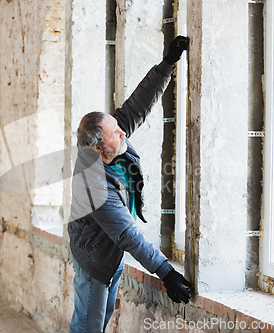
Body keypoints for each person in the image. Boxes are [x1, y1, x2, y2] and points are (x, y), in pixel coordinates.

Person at [68, 36, 193, 333]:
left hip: (109, 249)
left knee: (99, 319)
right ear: (99, 147)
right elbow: (126, 232)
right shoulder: (92, 183)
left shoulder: (111, 140)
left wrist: (166, 65)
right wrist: (166, 272)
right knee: (88, 326)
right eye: (116, 133)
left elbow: (137, 106)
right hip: (95, 256)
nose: (123, 133)